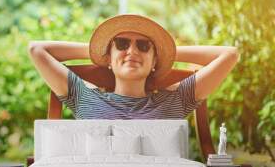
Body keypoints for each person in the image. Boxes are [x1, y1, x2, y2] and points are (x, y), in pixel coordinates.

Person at [28, 14, 239, 119]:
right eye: (121, 44)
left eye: (144, 45)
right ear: (108, 58)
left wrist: (165, 52)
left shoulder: (176, 100)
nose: (132, 51)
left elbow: (229, 54)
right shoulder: (84, 96)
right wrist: (101, 49)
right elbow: (37, 50)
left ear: (154, 61)